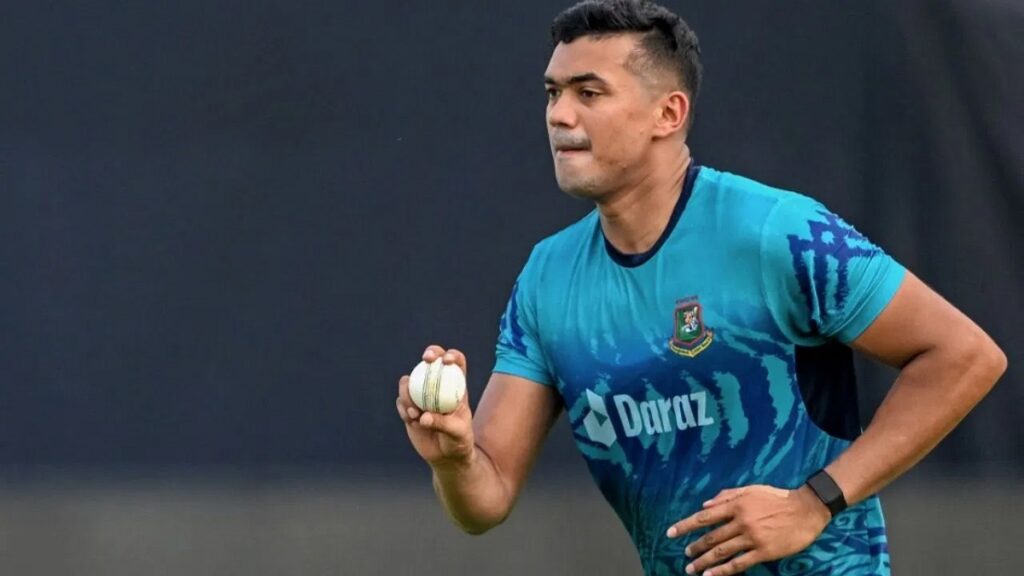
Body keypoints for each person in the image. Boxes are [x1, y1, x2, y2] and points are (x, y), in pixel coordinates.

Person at [395, 1, 1008, 574]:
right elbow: (486, 499)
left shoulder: (777, 232)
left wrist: (815, 502)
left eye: (589, 92)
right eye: (553, 92)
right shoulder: (546, 278)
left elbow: (965, 356)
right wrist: (454, 459)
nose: (559, 114)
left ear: (669, 114)